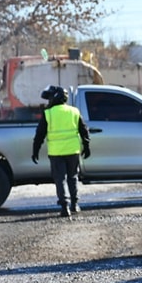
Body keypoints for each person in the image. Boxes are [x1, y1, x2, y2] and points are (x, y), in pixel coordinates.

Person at [32, 85, 91, 217]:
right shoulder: (74, 111)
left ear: (55, 97)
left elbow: (39, 135)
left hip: (56, 153)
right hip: (73, 151)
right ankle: (75, 204)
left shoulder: (48, 114)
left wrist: (35, 150)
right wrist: (86, 146)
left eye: (49, 98)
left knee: (60, 180)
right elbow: (84, 130)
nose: (48, 101)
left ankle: (65, 207)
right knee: (73, 178)